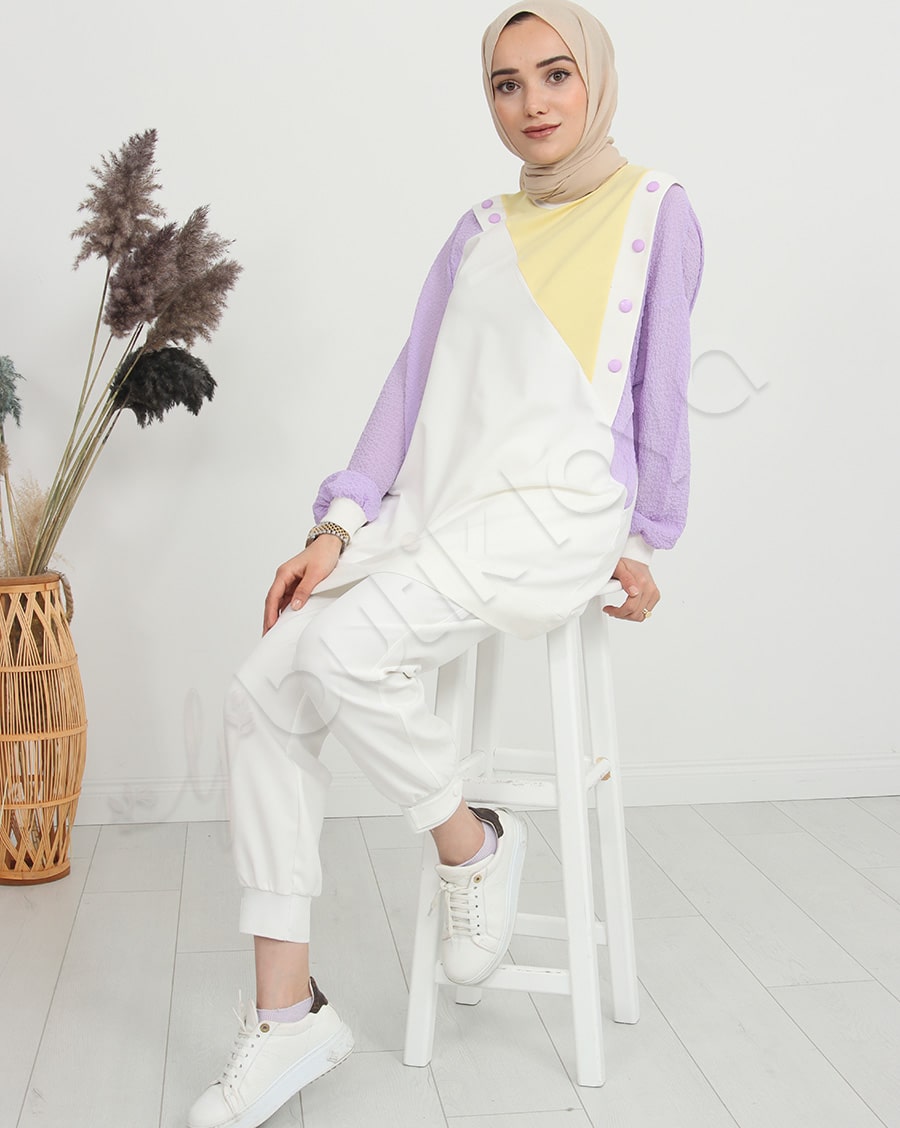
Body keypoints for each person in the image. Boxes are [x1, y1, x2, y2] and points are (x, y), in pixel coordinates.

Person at [187, 2, 703, 1125]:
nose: (533, 104)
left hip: (558, 513)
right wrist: (338, 523)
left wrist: (646, 537)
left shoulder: (657, 210)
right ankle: (287, 1016)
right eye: (507, 85)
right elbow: (409, 385)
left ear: (596, 78)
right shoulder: (477, 230)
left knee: (344, 650)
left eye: (555, 74)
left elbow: (661, 387)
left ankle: (470, 847)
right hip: (444, 510)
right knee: (259, 691)